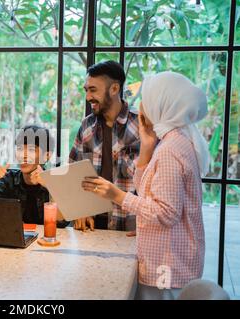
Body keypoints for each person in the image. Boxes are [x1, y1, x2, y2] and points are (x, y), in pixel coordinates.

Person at [82, 71, 208, 299]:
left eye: (148, 99)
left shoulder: (170, 151)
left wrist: (118, 195)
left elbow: (166, 213)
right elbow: (150, 193)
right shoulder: (173, 142)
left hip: (167, 267)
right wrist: (147, 147)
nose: (142, 106)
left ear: (163, 104)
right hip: (166, 262)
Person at [69, 60, 140, 231]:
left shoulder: (141, 125)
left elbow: (154, 184)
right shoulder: (86, 126)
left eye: (93, 90)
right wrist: (80, 210)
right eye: (86, 90)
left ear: (114, 89)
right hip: (92, 225)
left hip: (130, 225)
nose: (87, 97)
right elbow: (73, 174)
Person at [0, 125, 68, 227]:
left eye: (31, 150)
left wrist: (51, 187)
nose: (24, 155)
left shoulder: (56, 182)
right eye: (20, 149)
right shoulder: (9, 180)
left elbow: (60, 223)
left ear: (47, 156)